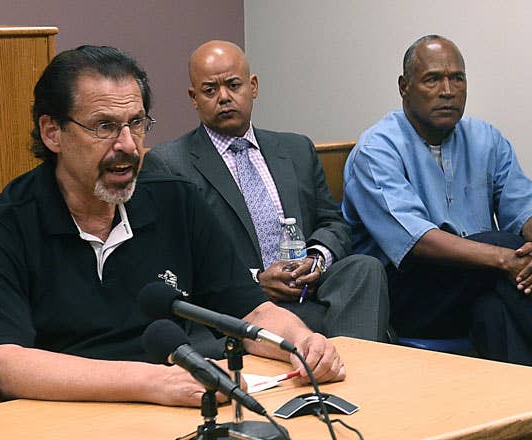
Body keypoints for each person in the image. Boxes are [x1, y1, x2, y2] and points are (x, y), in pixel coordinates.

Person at [0, 45, 345, 408]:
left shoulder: (175, 200)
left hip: (175, 404)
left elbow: (252, 311)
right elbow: (3, 360)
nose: (128, 145)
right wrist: (152, 382)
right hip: (61, 412)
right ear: (53, 132)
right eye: (104, 126)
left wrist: (301, 342)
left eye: (136, 124)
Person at [342, 35, 532, 372]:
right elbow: (418, 242)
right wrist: (504, 259)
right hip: (408, 297)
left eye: (457, 78)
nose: (448, 90)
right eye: (433, 79)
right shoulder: (376, 150)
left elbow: (526, 207)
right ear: (404, 86)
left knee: (495, 310)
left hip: (479, 285)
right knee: (502, 248)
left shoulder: (486, 138)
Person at [143, 40, 391, 348]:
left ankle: (352, 372)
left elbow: (333, 222)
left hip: (309, 291)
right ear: (194, 98)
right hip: (237, 307)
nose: (224, 97)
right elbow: (176, 260)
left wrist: (315, 259)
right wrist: (254, 279)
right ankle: (334, 365)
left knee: (365, 268)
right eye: (210, 90)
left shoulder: (297, 148)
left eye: (233, 85)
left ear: (253, 86)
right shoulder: (170, 163)